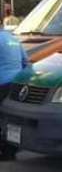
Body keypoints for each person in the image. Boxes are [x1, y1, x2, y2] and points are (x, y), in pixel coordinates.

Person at [0, 23, 29, 160]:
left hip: (2, 84)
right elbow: (25, 62)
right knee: (12, 119)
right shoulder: (14, 39)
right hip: (16, 84)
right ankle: (10, 151)